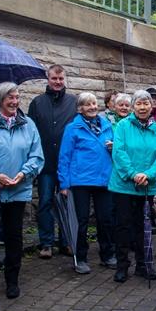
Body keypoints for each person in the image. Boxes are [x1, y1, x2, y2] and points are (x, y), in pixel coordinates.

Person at [0, 82, 44, 298]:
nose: (14, 102)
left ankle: (12, 279)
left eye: (17, 97)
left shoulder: (28, 124)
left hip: (18, 188)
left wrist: (23, 173)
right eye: (9, 98)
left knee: (14, 235)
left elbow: (36, 154)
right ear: (0, 99)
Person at [108, 90, 156, 283]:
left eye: (146, 104)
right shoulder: (123, 126)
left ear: (152, 107)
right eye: (139, 104)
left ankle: (143, 264)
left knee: (144, 227)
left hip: (147, 185)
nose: (142, 107)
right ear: (133, 107)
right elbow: (119, 152)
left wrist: (148, 174)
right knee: (123, 226)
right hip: (124, 185)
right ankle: (122, 266)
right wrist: (133, 174)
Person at [58, 92, 116, 274]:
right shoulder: (72, 128)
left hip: (104, 179)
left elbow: (118, 151)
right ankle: (80, 258)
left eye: (93, 103)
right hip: (80, 181)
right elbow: (64, 156)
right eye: (87, 104)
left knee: (105, 220)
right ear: (80, 109)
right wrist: (64, 184)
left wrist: (113, 148)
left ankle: (107, 255)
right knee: (81, 221)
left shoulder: (107, 126)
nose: (92, 107)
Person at [27, 64, 77, 259]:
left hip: (67, 164)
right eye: (54, 79)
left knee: (66, 203)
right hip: (45, 163)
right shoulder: (37, 102)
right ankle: (46, 243)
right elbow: (30, 133)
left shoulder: (74, 102)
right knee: (45, 203)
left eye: (61, 79)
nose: (57, 82)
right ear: (48, 79)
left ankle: (66, 242)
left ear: (65, 80)